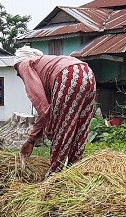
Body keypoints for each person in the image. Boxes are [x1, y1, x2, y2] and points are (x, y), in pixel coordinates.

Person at [11, 46, 97, 175]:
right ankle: (75, 171)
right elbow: (45, 107)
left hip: (69, 75)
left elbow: (39, 101)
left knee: (62, 128)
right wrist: (31, 140)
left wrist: (50, 125)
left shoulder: (24, 64)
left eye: (17, 70)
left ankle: (54, 175)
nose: (19, 74)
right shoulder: (47, 65)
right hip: (87, 72)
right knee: (80, 127)